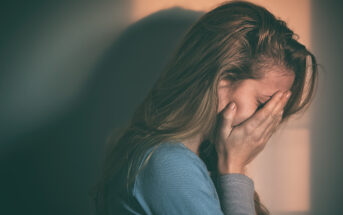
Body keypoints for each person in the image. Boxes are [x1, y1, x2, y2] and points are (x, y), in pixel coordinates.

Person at [91, 1, 318, 214]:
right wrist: (234, 168)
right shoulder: (169, 165)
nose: (268, 121)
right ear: (223, 78)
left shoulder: (186, 159)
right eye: (264, 103)